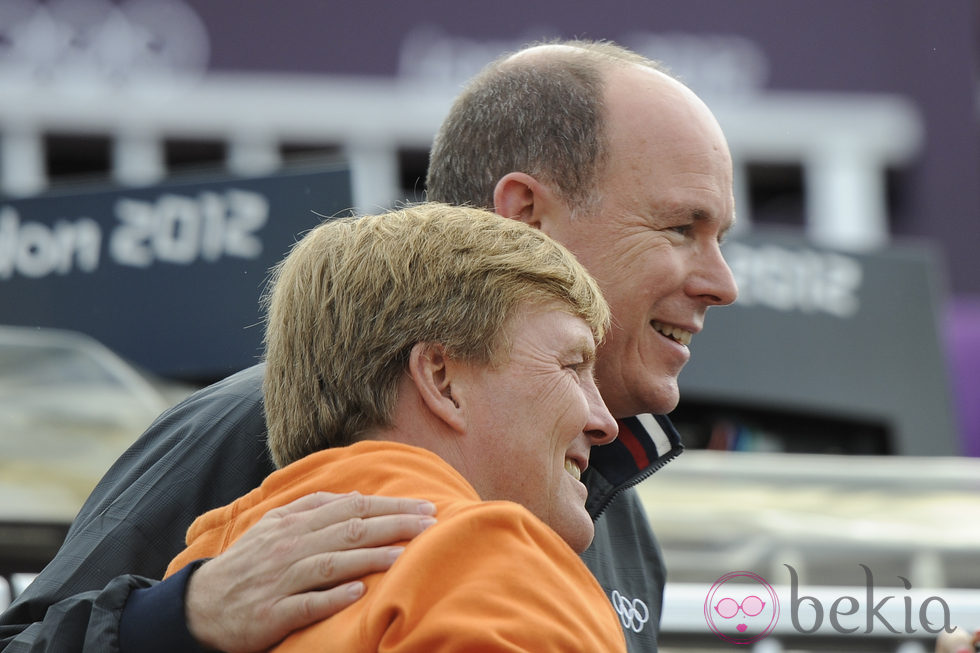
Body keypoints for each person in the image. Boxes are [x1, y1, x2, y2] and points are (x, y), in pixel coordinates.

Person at [0, 39, 737, 652]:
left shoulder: (619, 512)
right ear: (525, 216)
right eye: (681, 228)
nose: (723, 282)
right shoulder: (256, 423)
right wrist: (182, 613)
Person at [165, 202, 626, 651]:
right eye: (571, 364)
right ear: (442, 381)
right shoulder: (487, 563)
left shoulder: (196, 582)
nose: (605, 423)